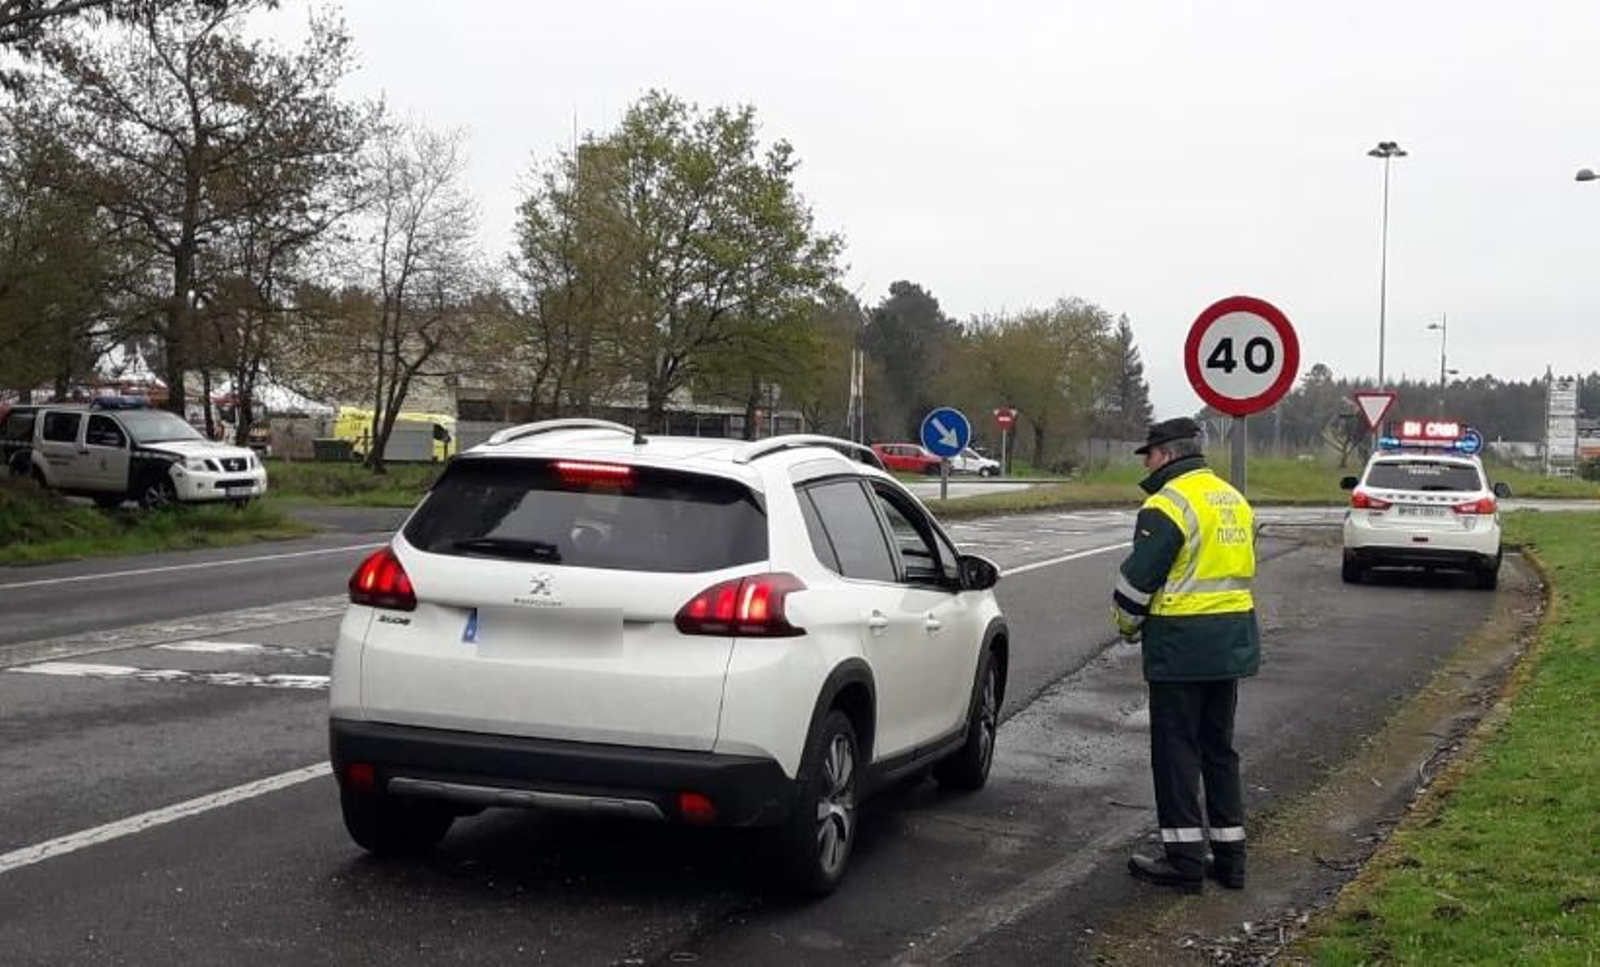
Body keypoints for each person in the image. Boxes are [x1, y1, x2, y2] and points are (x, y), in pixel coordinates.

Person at [1111, 417, 1259, 893]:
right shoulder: (1232, 499)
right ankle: (1231, 860)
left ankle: (1184, 861)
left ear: (1168, 455)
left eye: (1149, 455)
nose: (1147, 464)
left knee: (1176, 752)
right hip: (1230, 642)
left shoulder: (1167, 504)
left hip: (1180, 645)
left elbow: (1137, 582)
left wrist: (1126, 626)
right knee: (1219, 750)